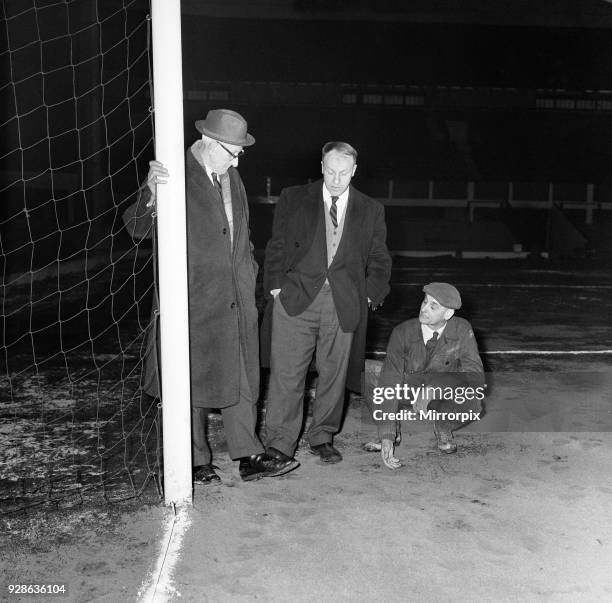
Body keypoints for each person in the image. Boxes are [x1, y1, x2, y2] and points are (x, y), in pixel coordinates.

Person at [122, 109, 298, 483]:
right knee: (193, 383)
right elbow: (137, 228)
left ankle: (248, 455)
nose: (237, 160)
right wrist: (150, 191)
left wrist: (249, 275)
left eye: (239, 153)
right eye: (231, 152)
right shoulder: (175, 174)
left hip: (237, 298)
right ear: (207, 143)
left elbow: (241, 236)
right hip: (194, 300)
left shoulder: (231, 177)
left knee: (244, 378)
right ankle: (196, 461)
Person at [261, 141, 392, 467]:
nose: (336, 179)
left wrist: (370, 295)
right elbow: (276, 245)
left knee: (334, 375)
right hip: (295, 299)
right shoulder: (293, 198)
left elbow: (379, 258)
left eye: (343, 172)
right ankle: (279, 442)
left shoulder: (371, 208)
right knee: (286, 374)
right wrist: (276, 287)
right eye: (331, 171)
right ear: (321, 166)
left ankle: (322, 437)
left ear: (354, 171)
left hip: (343, 304)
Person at [372, 282, 485, 470]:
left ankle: (443, 424)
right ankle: (395, 430)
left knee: (474, 401)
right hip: (407, 390)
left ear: (448, 314)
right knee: (372, 374)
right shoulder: (402, 332)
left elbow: (476, 378)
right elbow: (389, 382)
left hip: (440, 397)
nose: (424, 309)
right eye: (424, 302)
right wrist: (386, 435)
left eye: (433, 306)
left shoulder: (462, 330)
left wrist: (434, 388)